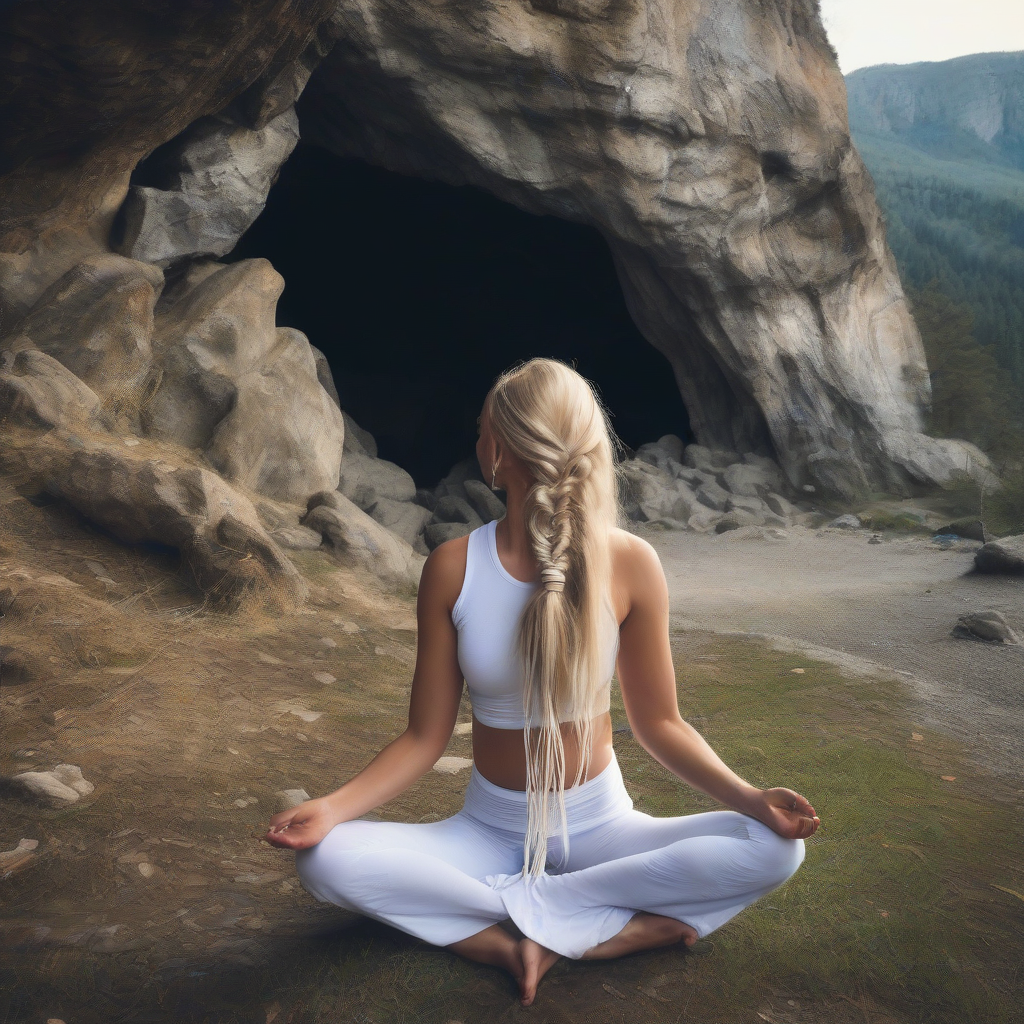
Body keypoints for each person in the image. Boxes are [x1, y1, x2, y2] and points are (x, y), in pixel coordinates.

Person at [263, 357, 819, 1007]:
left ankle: (544, 919)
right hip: (486, 832)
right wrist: (331, 808)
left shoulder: (631, 564)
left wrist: (753, 801)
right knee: (325, 859)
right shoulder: (451, 569)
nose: (476, 442)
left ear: (497, 451)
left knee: (776, 851)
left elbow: (659, 724)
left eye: (480, 430)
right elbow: (423, 737)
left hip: (604, 827)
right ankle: (534, 940)